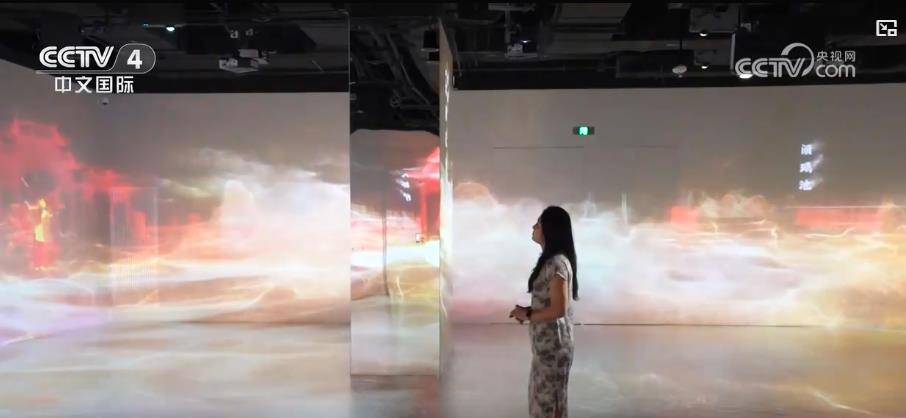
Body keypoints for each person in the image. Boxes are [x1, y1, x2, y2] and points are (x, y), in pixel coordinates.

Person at [509, 206, 578, 418]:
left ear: (550, 229)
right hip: (547, 349)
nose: (533, 227)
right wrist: (528, 311)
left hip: (553, 350)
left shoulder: (556, 263)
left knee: (549, 405)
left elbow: (559, 308)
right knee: (546, 402)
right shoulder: (552, 262)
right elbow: (550, 303)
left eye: (538, 224)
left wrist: (529, 315)